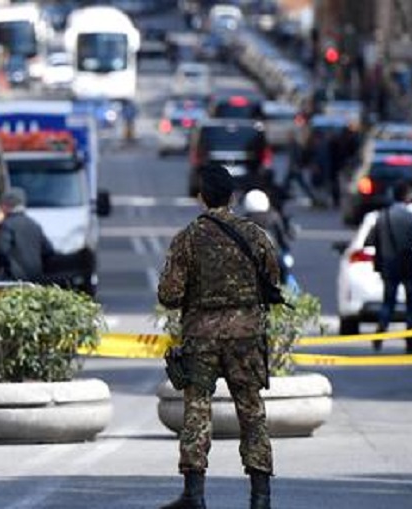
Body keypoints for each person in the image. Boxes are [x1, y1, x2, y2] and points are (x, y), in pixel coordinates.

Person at [158, 163, 280, 509]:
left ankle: (194, 495)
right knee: (252, 411)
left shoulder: (188, 238)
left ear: (201, 197)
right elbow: (273, 280)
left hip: (202, 337)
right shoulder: (255, 234)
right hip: (246, 336)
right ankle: (260, 497)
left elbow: (169, 294)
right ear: (233, 196)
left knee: (197, 411)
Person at [367, 182, 412, 353]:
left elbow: (370, 240)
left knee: (388, 301)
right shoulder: (410, 217)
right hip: (406, 262)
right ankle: (410, 341)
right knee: (411, 303)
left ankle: (380, 332)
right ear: (407, 196)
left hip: (388, 263)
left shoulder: (382, 217)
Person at [0, 188, 54, 283]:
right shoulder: (35, 225)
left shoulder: (6, 225)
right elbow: (48, 251)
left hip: (12, 280)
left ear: (6, 205)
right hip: (35, 280)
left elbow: (1, 251)